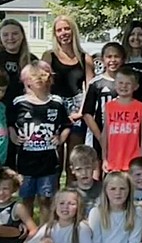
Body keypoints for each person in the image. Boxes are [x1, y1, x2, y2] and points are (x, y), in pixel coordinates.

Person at [9, 60, 71, 220]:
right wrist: (14, 136)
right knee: (27, 198)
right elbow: (10, 123)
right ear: (26, 80)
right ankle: (29, 232)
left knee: (46, 199)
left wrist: (61, 138)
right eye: (33, 76)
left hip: (48, 161)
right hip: (26, 161)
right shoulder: (19, 102)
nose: (38, 80)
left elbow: (66, 124)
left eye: (42, 76)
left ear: (49, 78)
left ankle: (46, 232)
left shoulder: (56, 102)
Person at [43, 15, 95, 186]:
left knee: (74, 160)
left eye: (67, 29)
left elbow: (90, 87)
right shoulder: (49, 56)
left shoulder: (84, 57)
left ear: (73, 31)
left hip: (77, 110)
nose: (63, 33)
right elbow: (42, 85)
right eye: (59, 30)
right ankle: (54, 200)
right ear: (55, 34)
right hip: (55, 109)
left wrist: (81, 112)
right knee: (55, 158)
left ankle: (73, 198)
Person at [101, 66, 142, 173]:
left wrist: (141, 156)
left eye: (128, 83)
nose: (124, 86)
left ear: (135, 86)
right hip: (113, 160)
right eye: (121, 83)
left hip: (133, 159)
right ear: (115, 84)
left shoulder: (141, 107)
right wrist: (104, 158)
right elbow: (105, 133)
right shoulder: (109, 107)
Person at [82, 42, 125, 159]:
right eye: (109, 57)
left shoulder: (126, 83)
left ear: (123, 59)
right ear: (102, 59)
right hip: (99, 132)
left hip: (121, 133)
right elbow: (87, 114)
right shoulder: (96, 83)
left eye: (116, 56)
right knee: (97, 165)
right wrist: (100, 137)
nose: (113, 60)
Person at [67, 146, 102, 214]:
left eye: (88, 168)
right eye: (79, 169)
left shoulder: (103, 189)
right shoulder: (70, 191)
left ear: (94, 166)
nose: (84, 173)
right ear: (72, 170)